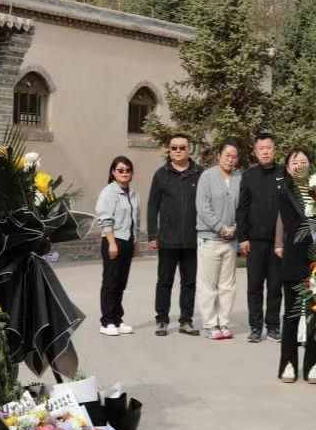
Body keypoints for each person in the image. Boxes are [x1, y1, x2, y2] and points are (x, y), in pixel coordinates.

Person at [147, 134, 202, 337]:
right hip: (167, 239)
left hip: (192, 240)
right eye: (174, 148)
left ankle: (186, 321)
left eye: (182, 147)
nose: (178, 151)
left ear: (189, 149)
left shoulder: (199, 174)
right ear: (169, 150)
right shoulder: (161, 175)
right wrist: (152, 234)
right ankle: (162, 320)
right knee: (164, 282)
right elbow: (153, 206)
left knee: (189, 282)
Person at [276, 147, 316, 383]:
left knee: (315, 314)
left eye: (303, 161)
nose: (299, 165)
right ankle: (289, 363)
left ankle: (313, 363)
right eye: (294, 162)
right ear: (288, 168)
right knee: (292, 314)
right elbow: (295, 226)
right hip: (295, 260)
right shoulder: (284, 192)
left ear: (310, 166)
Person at [238, 132, 285, 344]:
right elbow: (242, 209)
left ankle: (273, 326)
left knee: (275, 286)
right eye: (261, 149)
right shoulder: (248, 176)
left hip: (278, 243)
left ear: (274, 150)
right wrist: (243, 237)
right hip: (255, 241)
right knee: (254, 287)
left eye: (269, 148)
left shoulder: (284, 173)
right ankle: (255, 327)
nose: (265, 152)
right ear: (256, 152)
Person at [196, 141, 242, 340]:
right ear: (219, 156)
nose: (230, 160)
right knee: (208, 285)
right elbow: (203, 206)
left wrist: (235, 227)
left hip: (231, 240)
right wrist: (219, 227)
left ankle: (223, 322)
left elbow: (244, 207)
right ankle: (210, 324)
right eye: (227, 155)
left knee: (227, 285)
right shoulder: (207, 176)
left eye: (234, 156)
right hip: (209, 239)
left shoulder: (239, 178)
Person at [95, 156, 140, 337]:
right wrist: (112, 243)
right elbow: (104, 218)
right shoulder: (109, 192)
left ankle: (117, 319)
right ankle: (106, 322)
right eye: (120, 170)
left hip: (128, 241)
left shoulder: (133, 194)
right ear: (113, 172)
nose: (124, 173)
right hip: (114, 240)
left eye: (128, 170)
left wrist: (135, 242)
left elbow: (136, 220)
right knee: (110, 283)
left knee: (121, 283)